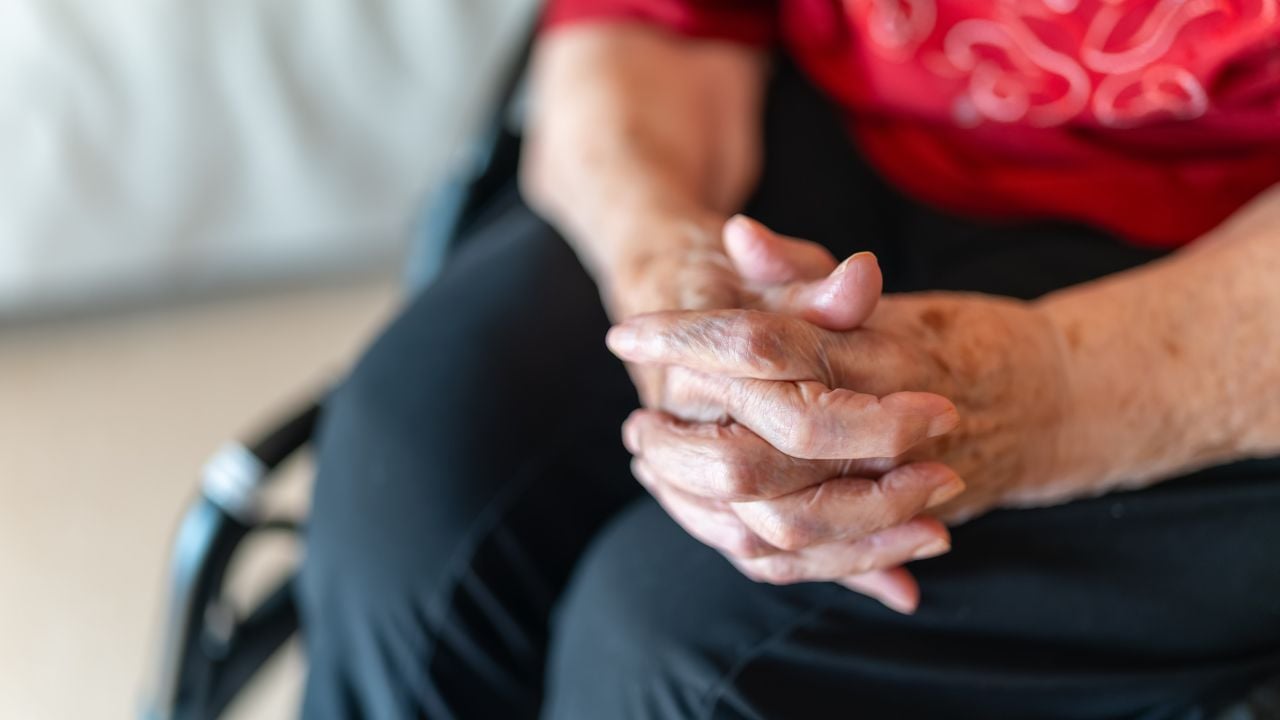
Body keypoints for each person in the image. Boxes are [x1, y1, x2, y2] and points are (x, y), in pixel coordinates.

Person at [296, 1, 1280, 718]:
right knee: (414, 473)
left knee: (681, 644)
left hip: (1229, 264)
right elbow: (648, 23)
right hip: (849, 129)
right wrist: (668, 284)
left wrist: (1040, 395)